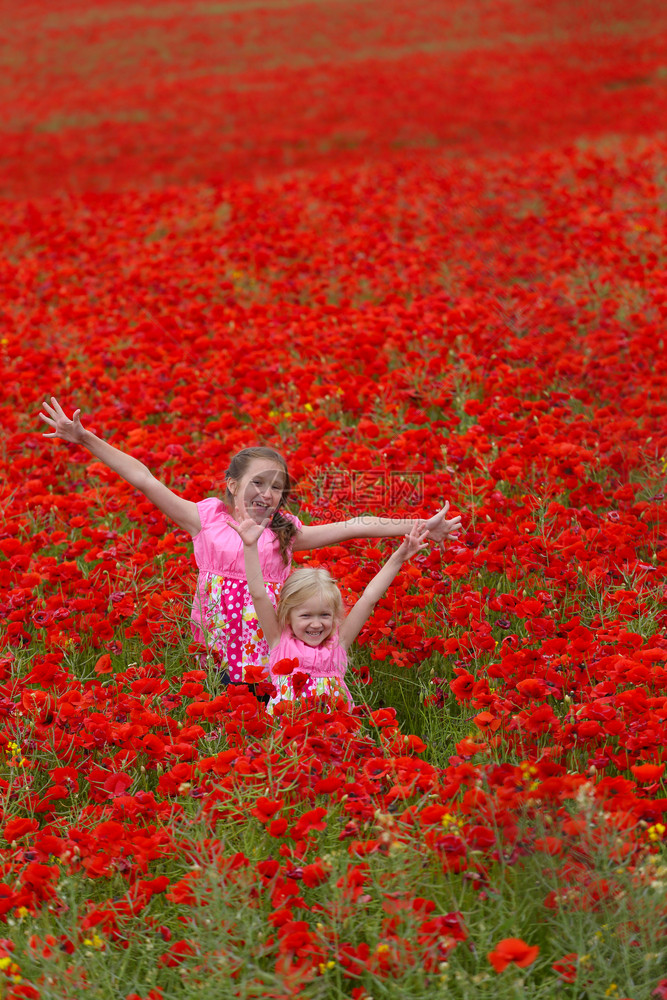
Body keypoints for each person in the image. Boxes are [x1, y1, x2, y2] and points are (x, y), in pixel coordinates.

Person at [39, 396, 461, 683]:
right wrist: (85, 439)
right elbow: (143, 477)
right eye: (258, 482)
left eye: (277, 486)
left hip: (272, 644)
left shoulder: (285, 529)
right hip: (220, 638)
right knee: (221, 702)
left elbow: (354, 524)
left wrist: (419, 523)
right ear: (231, 484)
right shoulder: (203, 518)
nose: (268, 493)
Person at [232, 510, 430, 711]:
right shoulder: (278, 641)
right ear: (288, 615)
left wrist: (399, 558)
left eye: (324, 615)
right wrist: (250, 546)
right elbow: (258, 593)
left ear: (335, 615)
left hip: (334, 736)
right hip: (290, 737)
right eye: (306, 615)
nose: (316, 624)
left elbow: (369, 599)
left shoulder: (339, 643)